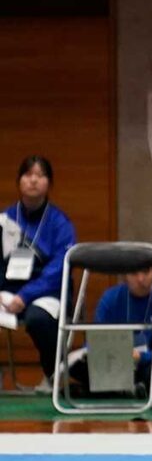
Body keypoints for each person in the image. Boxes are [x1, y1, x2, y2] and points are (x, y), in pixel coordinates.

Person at [0, 155, 77, 393]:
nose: (33, 180)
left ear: (49, 183)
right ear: (19, 181)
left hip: (46, 293)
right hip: (7, 293)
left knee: (37, 319)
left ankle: (52, 372)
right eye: (28, 174)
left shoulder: (60, 223)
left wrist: (24, 296)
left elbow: (60, 267)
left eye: (40, 175)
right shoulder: (5, 219)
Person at [67, 264, 152, 394]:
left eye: (146, 272)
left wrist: (141, 357)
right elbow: (94, 340)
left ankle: (110, 391)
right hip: (112, 363)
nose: (140, 279)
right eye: (134, 274)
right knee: (75, 367)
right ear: (125, 277)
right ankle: (127, 389)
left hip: (147, 364)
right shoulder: (110, 299)